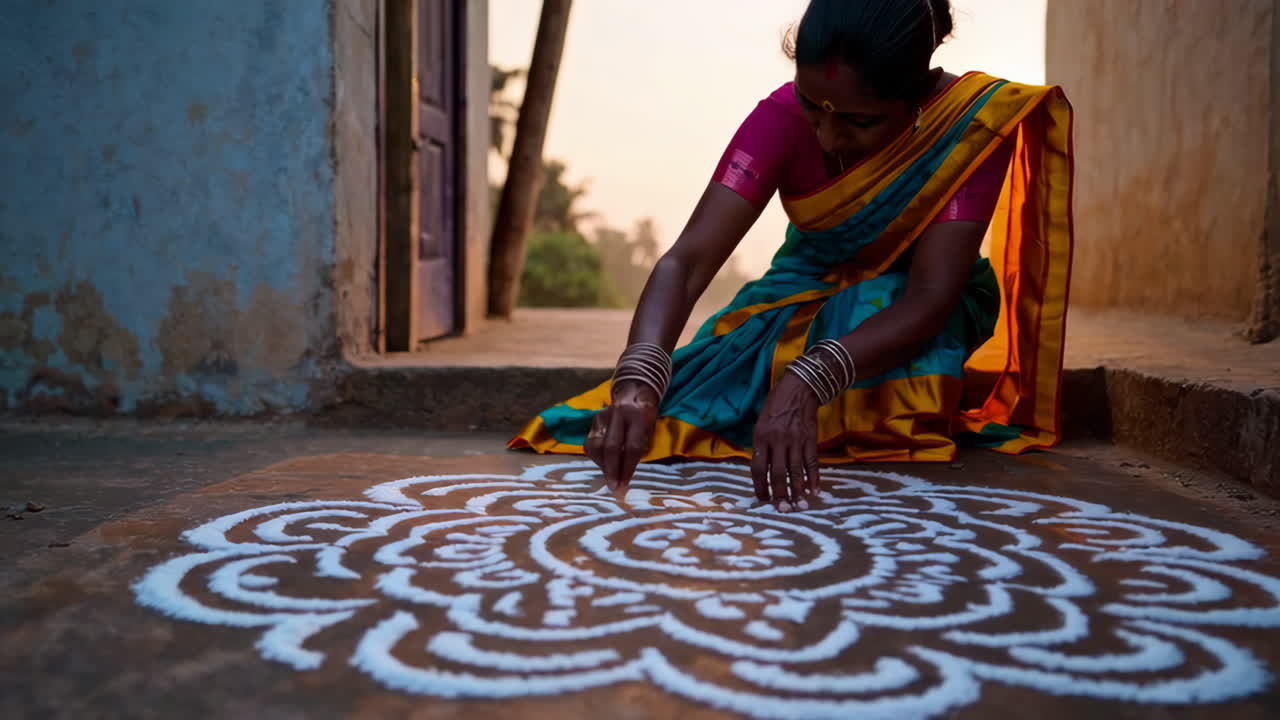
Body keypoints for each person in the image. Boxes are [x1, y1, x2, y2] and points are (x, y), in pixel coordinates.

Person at [510, 0, 1073, 512]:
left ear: (921, 97)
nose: (828, 138)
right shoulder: (779, 119)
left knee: (860, 315)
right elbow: (686, 264)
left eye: (859, 122)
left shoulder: (967, 128)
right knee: (688, 393)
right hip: (800, 289)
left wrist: (806, 379)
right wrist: (635, 384)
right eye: (813, 108)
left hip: (914, 303)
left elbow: (930, 298)